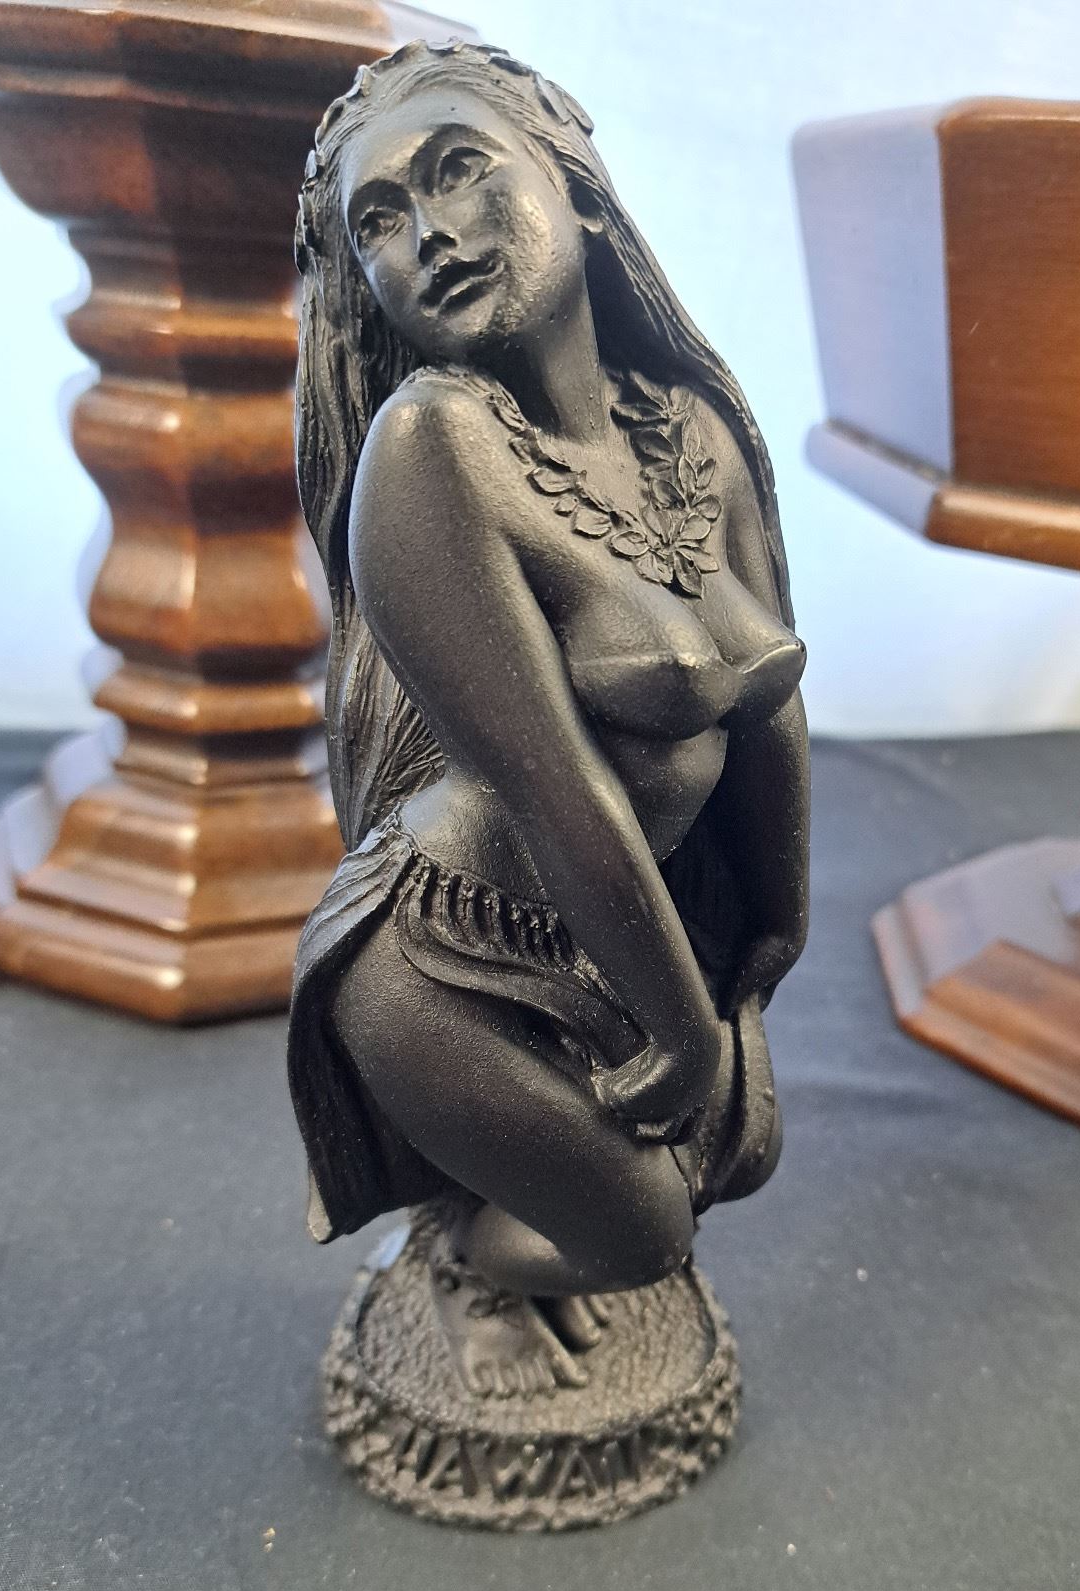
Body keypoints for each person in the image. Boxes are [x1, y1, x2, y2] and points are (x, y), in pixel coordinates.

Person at [288, 41, 809, 1401]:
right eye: (379, 221)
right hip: (447, 956)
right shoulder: (431, 451)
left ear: (573, 182)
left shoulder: (689, 432)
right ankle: (468, 1262)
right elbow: (551, 783)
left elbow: (771, 702)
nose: (428, 234)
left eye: (460, 168)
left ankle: (528, 1184)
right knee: (644, 1235)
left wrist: (778, 923)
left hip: (629, 919)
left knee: (742, 1152)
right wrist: (680, 1028)